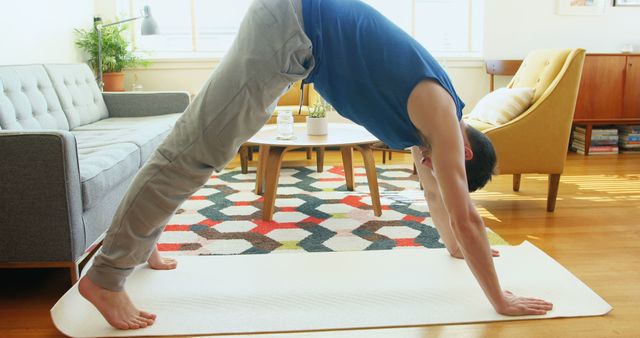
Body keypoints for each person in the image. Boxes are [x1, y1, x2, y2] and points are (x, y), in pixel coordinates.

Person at [79, 0, 553, 330]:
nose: (423, 164)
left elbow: (437, 194)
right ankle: (105, 277)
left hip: (299, 34)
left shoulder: (432, 128)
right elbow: (465, 213)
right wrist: (500, 299)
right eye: (435, 161)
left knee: (194, 148)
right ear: (465, 150)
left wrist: (453, 248)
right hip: (291, 25)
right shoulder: (442, 116)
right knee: (194, 154)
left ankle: (144, 243)